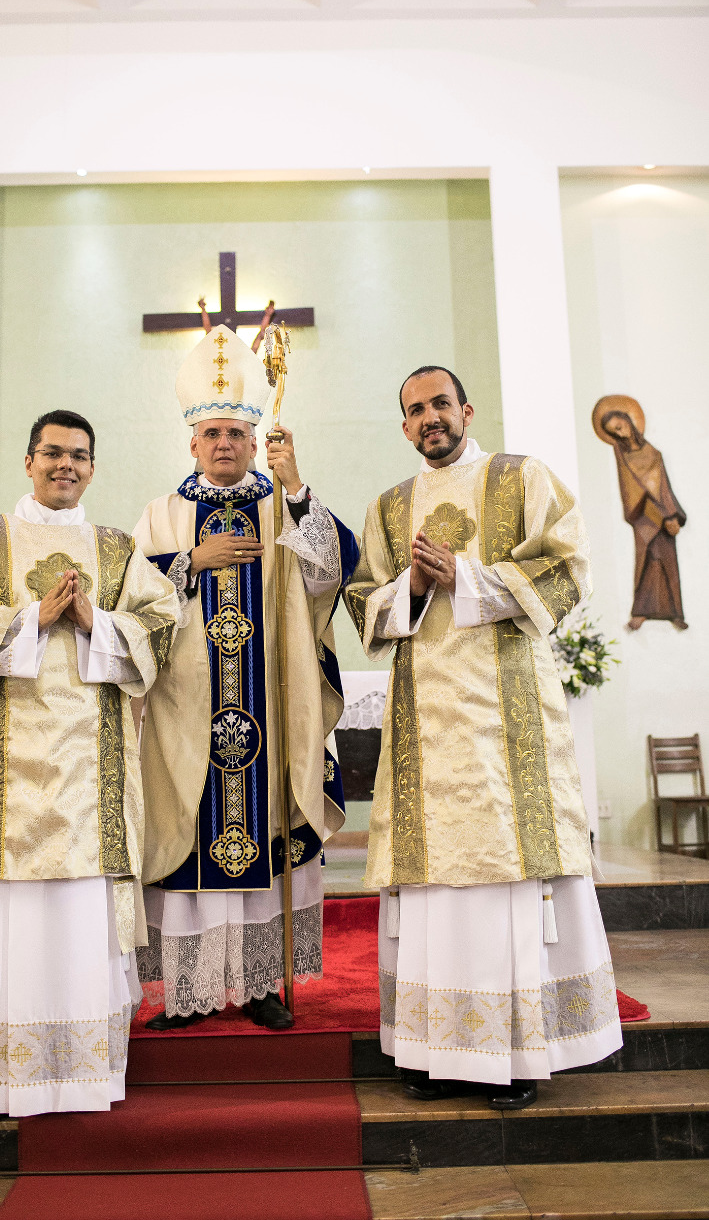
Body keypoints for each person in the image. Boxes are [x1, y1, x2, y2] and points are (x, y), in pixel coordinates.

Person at [345, 366, 622, 1109]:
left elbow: (568, 571)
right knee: (433, 885)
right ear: (404, 427)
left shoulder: (522, 477)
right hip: (424, 725)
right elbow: (362, 598)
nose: (428, 418)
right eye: (414, 411)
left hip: (506, 722)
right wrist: (410, 586)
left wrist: (463, 576)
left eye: (439, 404)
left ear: (465, 410)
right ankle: (434, 1048)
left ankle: (516, 1053)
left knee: (504, 873)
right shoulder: (389, 506)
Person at [0, 409, 181, 1116]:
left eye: (78, 456)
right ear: (29, 461)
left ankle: (79, 1074)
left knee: (72, 918)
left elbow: (163, 629)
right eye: (52, 454)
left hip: (86, 776)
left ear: (92, 468)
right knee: (8, 913)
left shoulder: (119, 549)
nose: (65, 465)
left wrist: (95, 621)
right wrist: (32, 620)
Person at [133, 326, 358, 1029]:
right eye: (213, 433)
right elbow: (126, 602)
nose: (225, 443)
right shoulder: (160, 514)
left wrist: (296, 489)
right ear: (192, 442)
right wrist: (190, 563)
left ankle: (260, 985)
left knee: (269, 832)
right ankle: (191, 990)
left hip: (270, 705)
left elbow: (330, 573)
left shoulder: (280, 505)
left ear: (254, 438)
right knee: (187, 840)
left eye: (236, 431)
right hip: (185, 714)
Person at [593, 398, 687, 630]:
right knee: (646, 561)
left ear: (628, 420)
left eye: (620, 425)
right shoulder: (621, 454)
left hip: (666, 515)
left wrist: (673, 515)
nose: (621, 432)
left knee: (669, 561)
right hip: (645, 517)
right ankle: (640, 612)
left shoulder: (653, 452)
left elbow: (664, 487)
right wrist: (661, 517)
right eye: (615, 431)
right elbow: (632, 491)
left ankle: (675, 612)